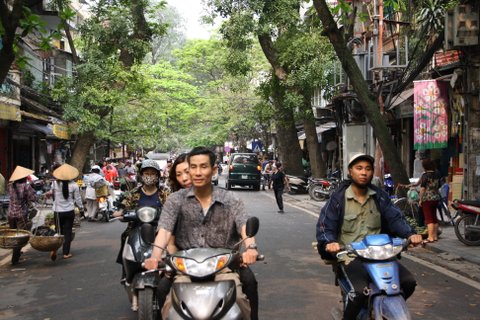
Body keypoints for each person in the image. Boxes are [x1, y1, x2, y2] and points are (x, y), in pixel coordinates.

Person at [145, 146, 260, 320]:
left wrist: (251, 248)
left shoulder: (231, 199)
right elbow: (164, 231)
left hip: (225, 267)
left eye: (203, 167)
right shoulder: (175, 200)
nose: (198, 172)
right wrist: (155, 256)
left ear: (214, 170)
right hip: (186, 269)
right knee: (163, 292)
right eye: (193, 167)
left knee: (248, 287)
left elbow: (245, 226)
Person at [316, 154, 423, 320]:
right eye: (359, 168)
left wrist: (410, 234)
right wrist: (330, 242)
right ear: (350, 171)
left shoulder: (380, 196)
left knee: (409, 282)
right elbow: (325, 225)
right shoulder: (338, 198)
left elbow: (395, 218)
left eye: (368, 168)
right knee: (358, 293)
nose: (364, 172)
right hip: (351, 257)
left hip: (382, 256)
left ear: (372, 172)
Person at [112, 159, 169, 278]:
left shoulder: (164, 193)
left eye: (152, 173)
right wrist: (120, 213)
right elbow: (123, 207)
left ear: (158, 176)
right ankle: (126, 270)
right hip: (136, 229)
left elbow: (172, 208)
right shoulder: (133, 193)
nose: (149, 176)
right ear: (141, 175)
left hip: (160, 229)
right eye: (146, 173)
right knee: (125, 237)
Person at [51, 164, 84, 260]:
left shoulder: (54, 184)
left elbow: (52, 195)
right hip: (69, 211)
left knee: (58, 231)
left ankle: (54, 249)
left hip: (57, 212)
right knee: (68, 232)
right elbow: (77, 199)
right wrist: (81, 209)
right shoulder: (74, 185)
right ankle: (66, 253)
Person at [7, 166, 37, 265]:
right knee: (20, 237)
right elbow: (33, 198)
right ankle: (15, 259)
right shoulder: (26, 186)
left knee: (14, 235)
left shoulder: (10, 185)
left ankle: (16, 253)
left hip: (11, 215)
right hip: (21, 215)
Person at [418, 158, 442, 242]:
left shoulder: (425, 175)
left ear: (425, 166)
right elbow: (439, 185)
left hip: (427, 199)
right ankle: (435, 236)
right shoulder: (437, 174)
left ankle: (430, 237)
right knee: (434, 217)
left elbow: (422, 189)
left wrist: (420, 199)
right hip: (436, 198)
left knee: (429, 219)